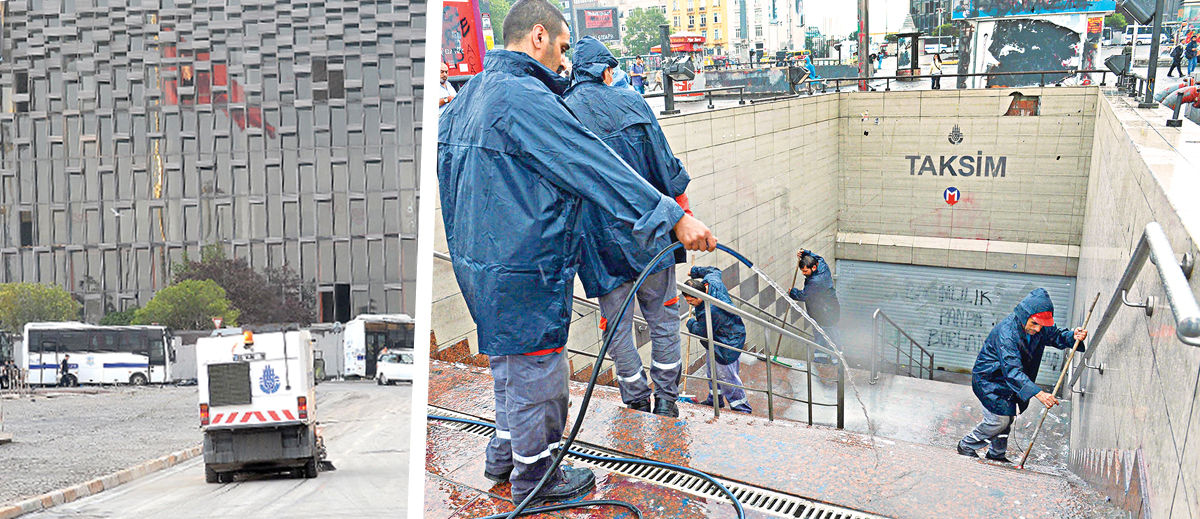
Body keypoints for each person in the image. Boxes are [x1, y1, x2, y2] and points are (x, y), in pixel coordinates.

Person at [437, 0, 717, 507]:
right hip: (526, 265)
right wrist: (672, 217)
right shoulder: (524, 98)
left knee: (506, 362)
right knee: (540, 374)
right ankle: (534, 476)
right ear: (538, 37)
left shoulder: (465, 97)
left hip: (480, 265)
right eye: (562, 48)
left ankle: (505, 454)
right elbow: (592, 165)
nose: (564, 63)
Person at [563, 37, 692, 418]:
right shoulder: (633, 102)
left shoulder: (562, 111)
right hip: (650, 234)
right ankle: (667, 401)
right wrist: (680, 217)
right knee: (664, 315)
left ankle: (634, 397)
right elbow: (666, 165)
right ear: (605, 71)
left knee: (615, 325)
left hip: (598, 243)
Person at [957, 288, 1087, 463]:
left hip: (1009, 380)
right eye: (1034, 323)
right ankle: (967, 444)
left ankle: (996, 454)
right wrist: (1039, 394)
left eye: (1041, 325)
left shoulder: (1039, 327)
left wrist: (1073, 336)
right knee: (999, 420)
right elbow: (1012, 371)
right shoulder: (1007, 333)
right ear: (1024, 315)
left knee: (1007, 415)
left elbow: (1056, 336)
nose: (1037, 328)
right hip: (990, 380)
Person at [684, 267, 751, 414]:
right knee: (712, 372)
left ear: (698, 296)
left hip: (726, 344)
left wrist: (690, 323)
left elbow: (702, 331)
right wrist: (694, 271)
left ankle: (741, 408)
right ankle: (715, 399)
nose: (690, 304)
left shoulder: (712, 310)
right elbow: (714, 270)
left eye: (691, 301)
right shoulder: (712, 282)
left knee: (727, 378)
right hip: (721, 337)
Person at [787, 249, 841, 369]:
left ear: (814, 268)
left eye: (805, 271)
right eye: (802, 271)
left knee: (829, 336)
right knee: (824, 335)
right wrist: (806, 253)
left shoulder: (816, 281)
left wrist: (793, 292)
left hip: (825, 313)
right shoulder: (822, 266)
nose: (803, 273)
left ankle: (833, 361)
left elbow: (805, 295)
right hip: (824, 311)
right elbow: (820, 258)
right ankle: (824, 359)